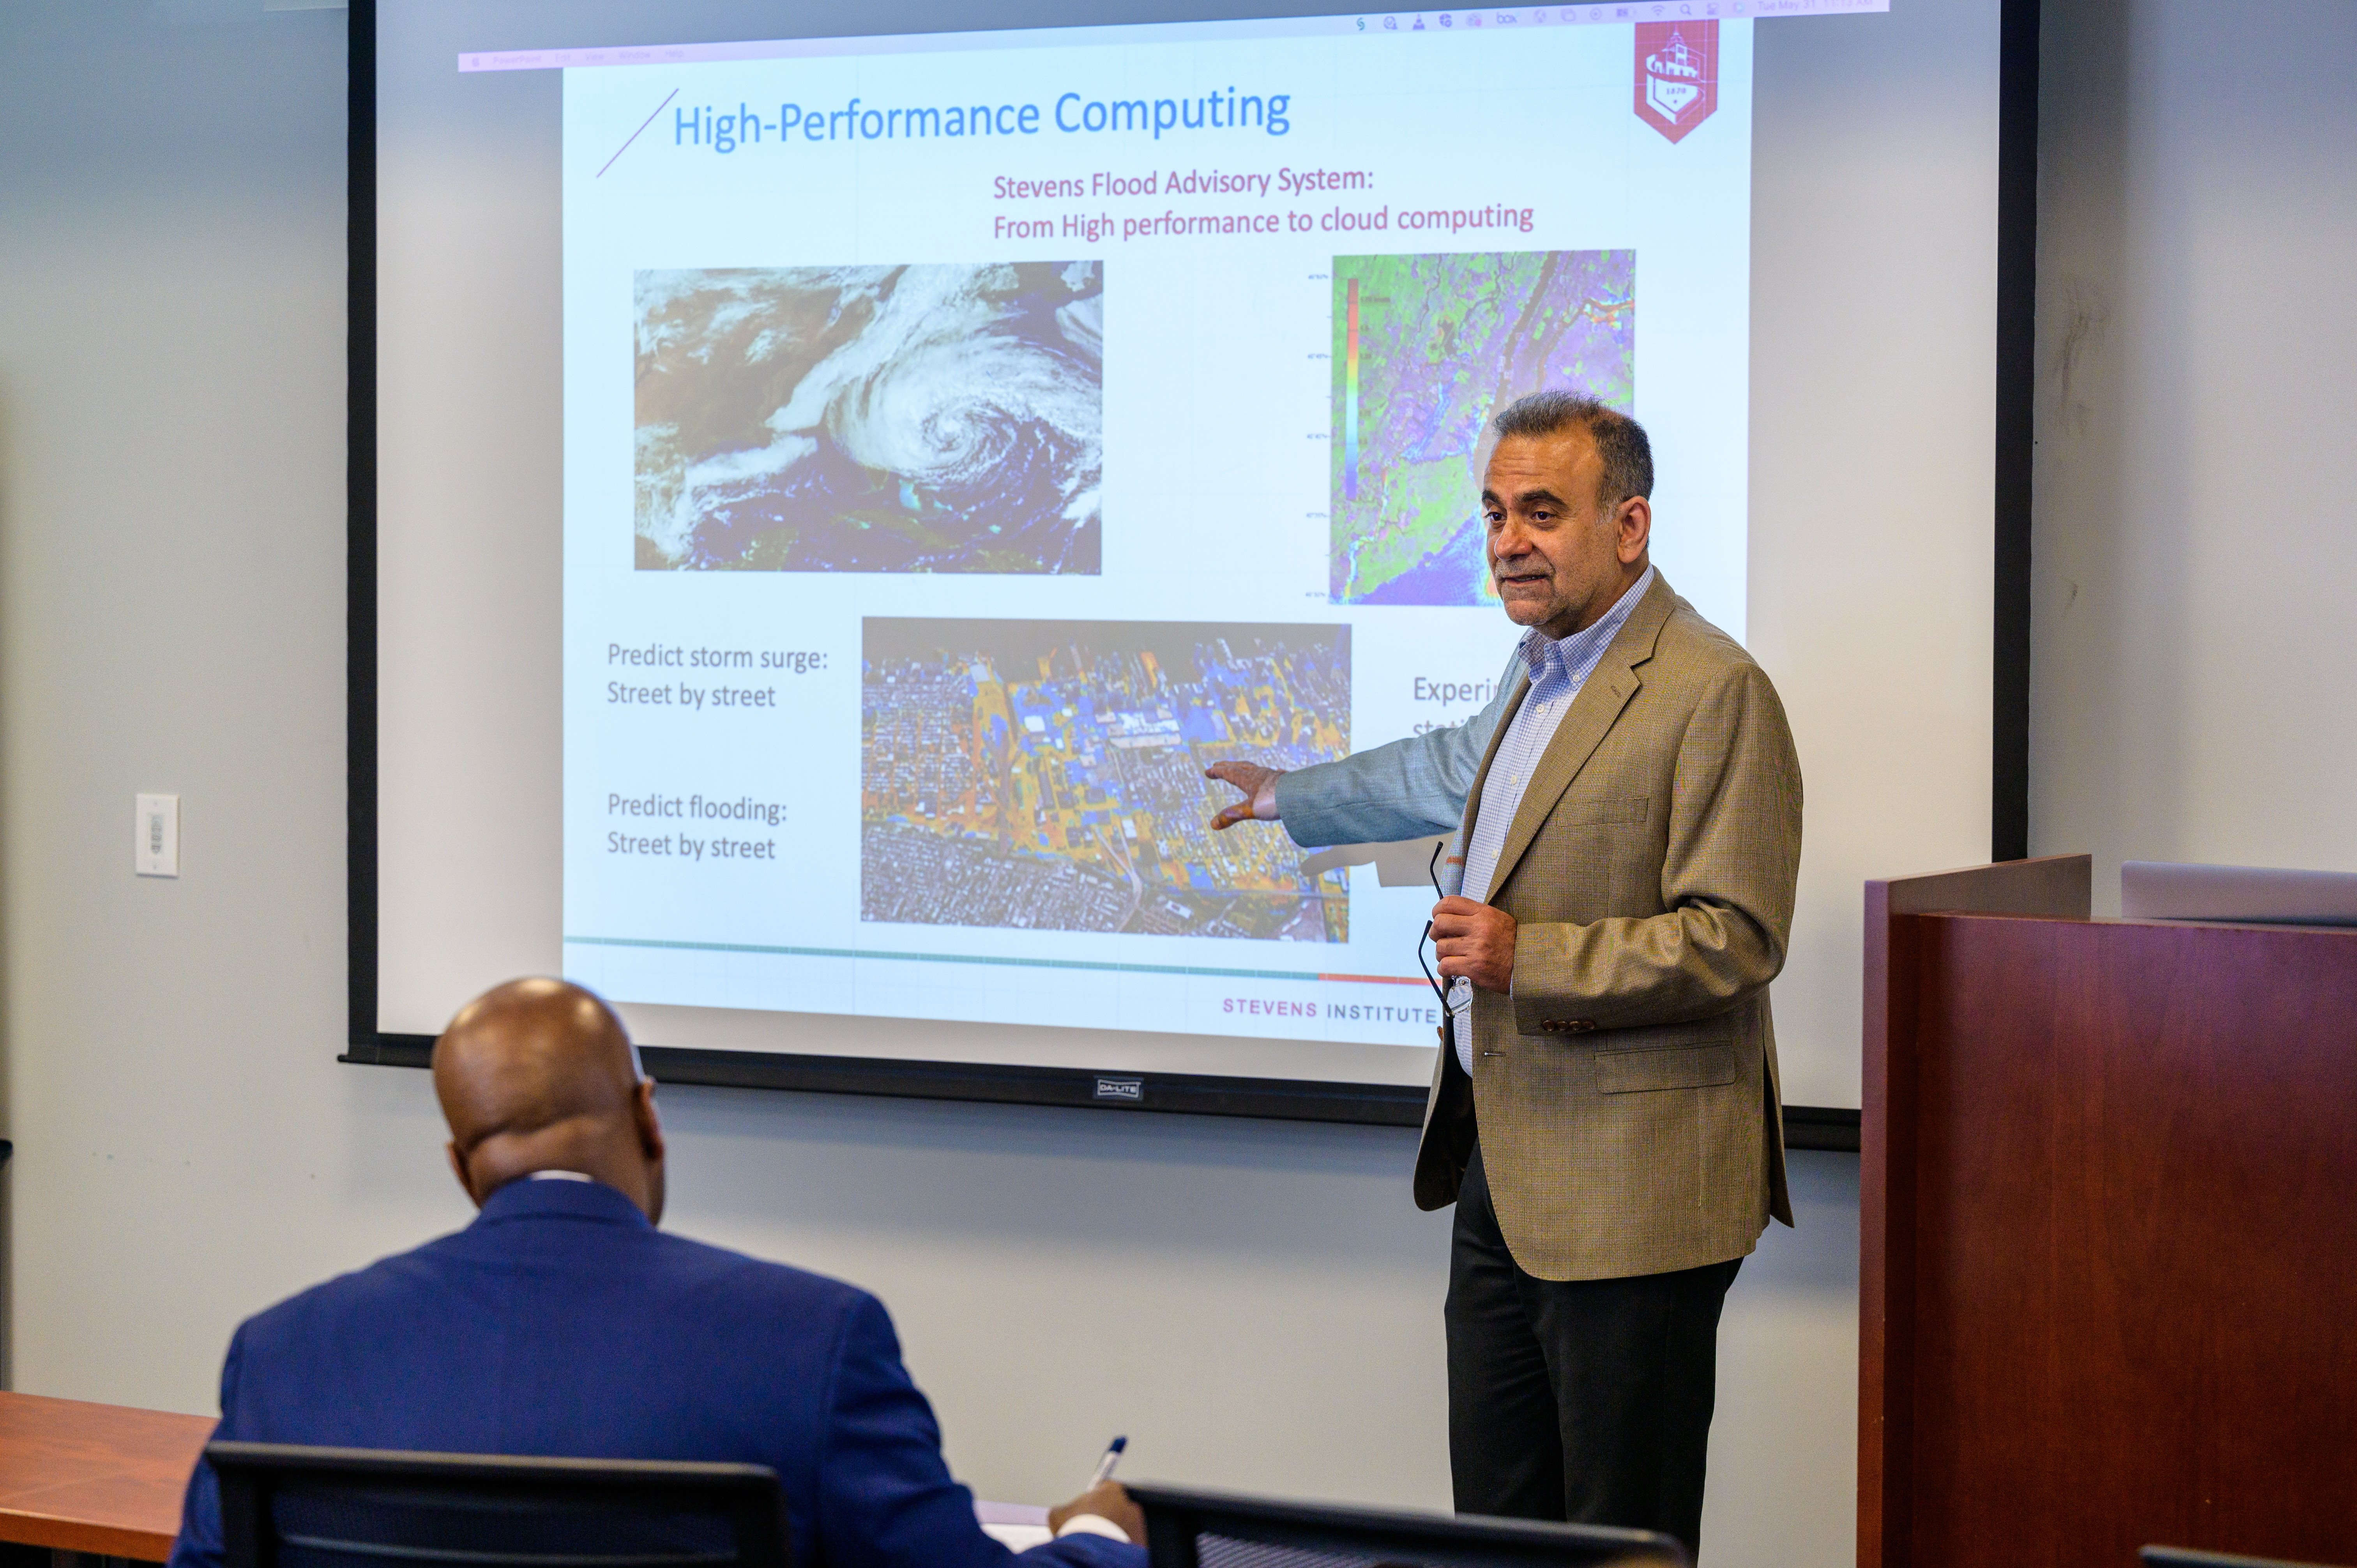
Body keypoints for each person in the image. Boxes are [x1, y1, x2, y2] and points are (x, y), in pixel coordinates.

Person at [1207, 391, 1802, 1559]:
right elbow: (1448, 766)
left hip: (1637, 1194)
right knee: (1498, 1531)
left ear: (1629, 526)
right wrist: (1292, 795)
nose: (1507, 540)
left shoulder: (1713, 691)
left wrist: (1534, 955)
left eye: (1541, 511)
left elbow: (1737, 935)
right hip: (1505, 1165)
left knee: (1616, 1542)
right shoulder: (1538, 670)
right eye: (1492, 512)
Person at [166, 978, 1144, 1568]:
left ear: (465, 1169)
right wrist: (1100, 1534)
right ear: (647, 1116)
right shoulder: (814, 1341)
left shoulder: (284, 1351)